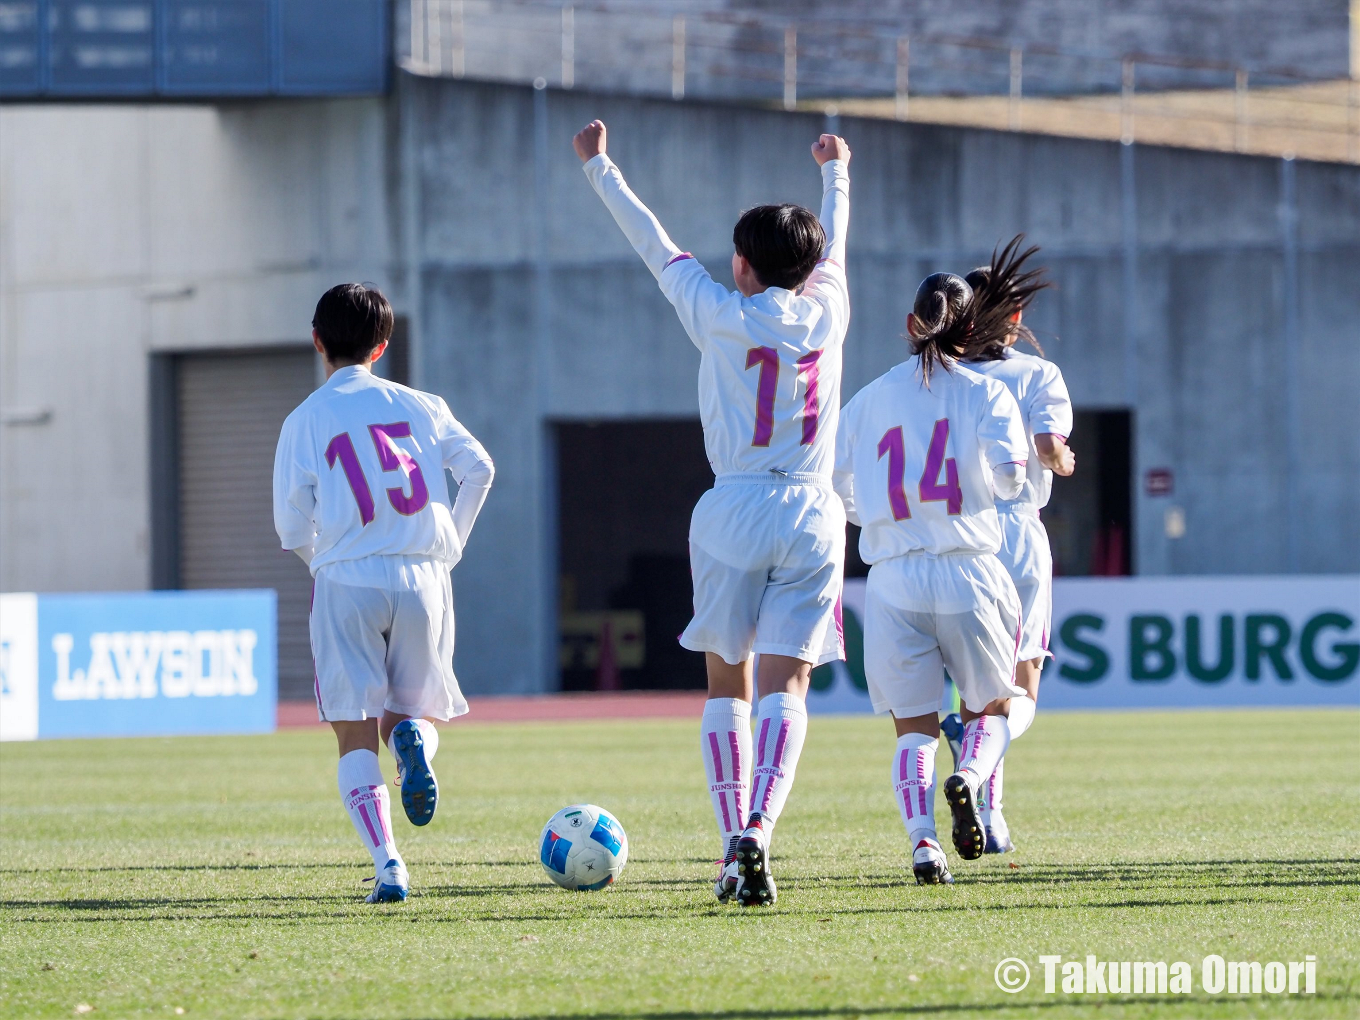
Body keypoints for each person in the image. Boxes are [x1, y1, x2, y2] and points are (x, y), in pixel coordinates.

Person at [573, 118, 851, 906]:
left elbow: (651, 239)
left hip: (732, 504)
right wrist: (838, 178)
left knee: (725, 684)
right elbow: (839, 250)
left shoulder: (715, 308)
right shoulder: (830, 312)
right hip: (812, 509)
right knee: (787, 685)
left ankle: (733, 843)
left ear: (741, 263)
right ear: (813, 264)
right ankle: (762, 827)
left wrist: (601, 166)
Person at [273, 283, 494, 903]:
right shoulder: (422, 405)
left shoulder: (305, 419)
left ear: (317, 341)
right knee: (412, 714)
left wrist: (328, 561)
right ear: (383, 345)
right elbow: (480, 469)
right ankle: (414, 742)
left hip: (346, 576)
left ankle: (389, 865)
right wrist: (452, 543)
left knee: (352, 733)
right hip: (424, 573)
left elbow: (291, 527)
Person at [833, 271, 1029, 885]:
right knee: (992, 708)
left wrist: (886, 514)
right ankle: (968, 778)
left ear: (913, 326)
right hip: (968, 567)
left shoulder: (866, 400)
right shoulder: (985, 393)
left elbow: (838, 490)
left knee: (912, 728)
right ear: (972, 332)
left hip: (892, 577)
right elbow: (1010, 479)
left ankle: (924, 847)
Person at [959, 237, 1075, 854]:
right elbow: (1051, 449)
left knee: (973, 684)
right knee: (1021, 682)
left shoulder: (944, 377)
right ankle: (982, 787)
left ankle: (987, 801)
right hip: (1014, 529)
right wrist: (1065, 461)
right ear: (1018, 318)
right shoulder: (1038, 374)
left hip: (954, 534)